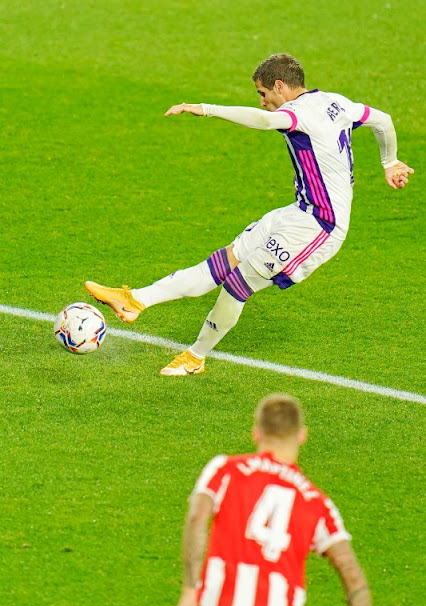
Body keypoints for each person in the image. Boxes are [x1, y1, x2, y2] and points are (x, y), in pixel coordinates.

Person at [85, 53, 413, 376]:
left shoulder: (297, 113)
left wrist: (205, 109)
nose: (262, 102)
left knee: (236, 284)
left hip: (320, 226)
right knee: (224, 261)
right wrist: (390, 161)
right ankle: (134, 300)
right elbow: (381, 120)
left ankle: (195, 357)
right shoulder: (335, 102)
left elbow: (266, 120)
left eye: (263, 93)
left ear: (281, 86)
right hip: (297, 213)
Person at [172, 393, 376, 606]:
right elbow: (350, 571)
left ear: (256, 433)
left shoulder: (225, 470)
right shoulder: (318, 503)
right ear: (302, 436)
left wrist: (188, 591)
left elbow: (196, 518)